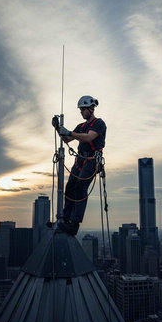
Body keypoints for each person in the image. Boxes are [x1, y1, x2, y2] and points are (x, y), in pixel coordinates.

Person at [53, 95, 106, 235]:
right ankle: (66, 219)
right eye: (81, 110)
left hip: (91, 159)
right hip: (81, 160)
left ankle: (74, 224)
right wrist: (58, 127)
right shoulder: (81, 126)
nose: (81, 112)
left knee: (80, 187)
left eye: (83, 109)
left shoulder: (99, 124)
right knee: (70, 187)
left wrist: (70, 132)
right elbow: (67, 139)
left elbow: (89, 137)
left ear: (91, 108)